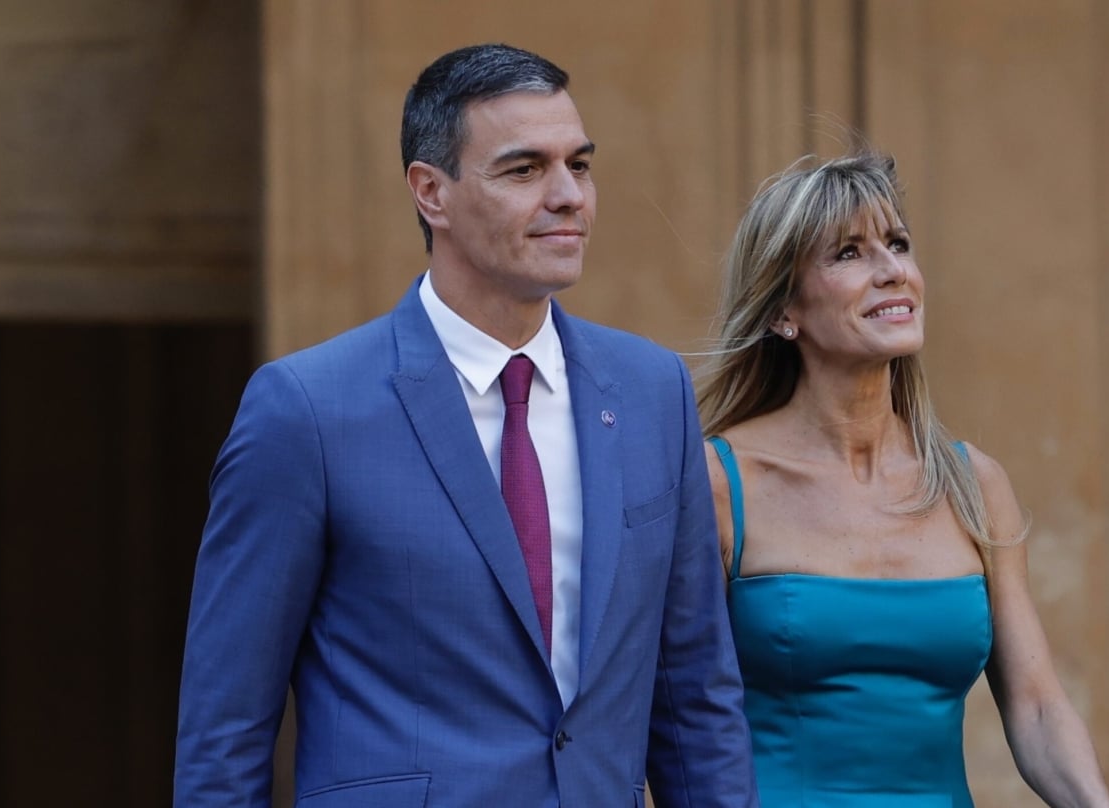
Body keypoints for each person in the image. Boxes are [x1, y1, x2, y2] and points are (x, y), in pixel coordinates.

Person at [174, 43, 758, 808]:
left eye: (578, 166)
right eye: (523, 170)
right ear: (431, 193)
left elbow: (696, 702)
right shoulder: (306, 410)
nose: (568, 196)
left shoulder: (652, 393)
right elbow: (226, 730)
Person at [694, 152, 1109, 807]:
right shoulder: (719, 483)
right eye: (849, 254)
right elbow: (672, 714)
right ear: (783, 312)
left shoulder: (974, 484)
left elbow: (1035, 709)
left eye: (898, 244)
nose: (893, 272)